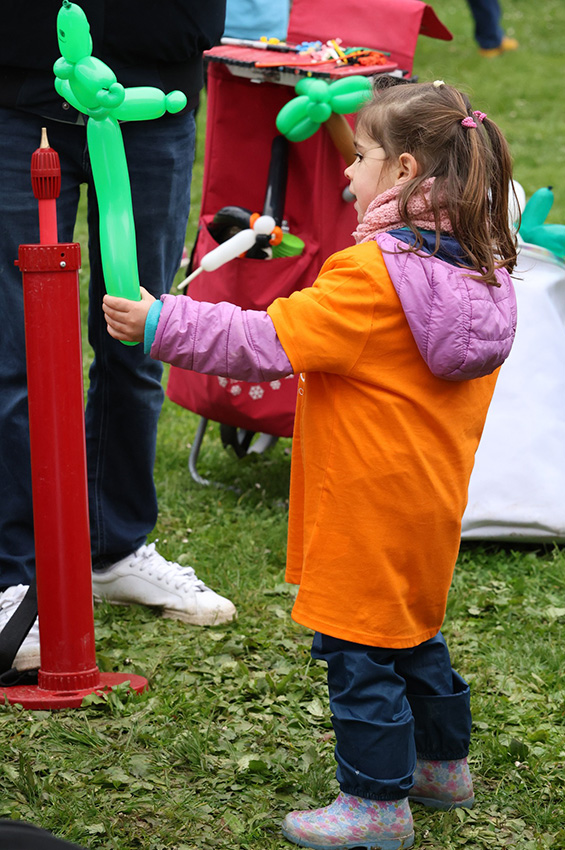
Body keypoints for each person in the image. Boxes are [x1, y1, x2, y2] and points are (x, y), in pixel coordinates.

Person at [102, 79, 518, 849]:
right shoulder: (481, 267)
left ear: (400, 173)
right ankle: (440, 766)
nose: (345, 173)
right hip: (426, 503)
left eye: (357, 157)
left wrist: (160, 320)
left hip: (360, 503)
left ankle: (374, 805)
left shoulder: (372, 278)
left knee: (356, 651)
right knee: (411, 634)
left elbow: (265, 342)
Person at [0, 0, 236, 682]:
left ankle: (115, 549)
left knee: (137, 340)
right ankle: (13, 575)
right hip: (22, 98)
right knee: (13, 357)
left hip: (149, 102)